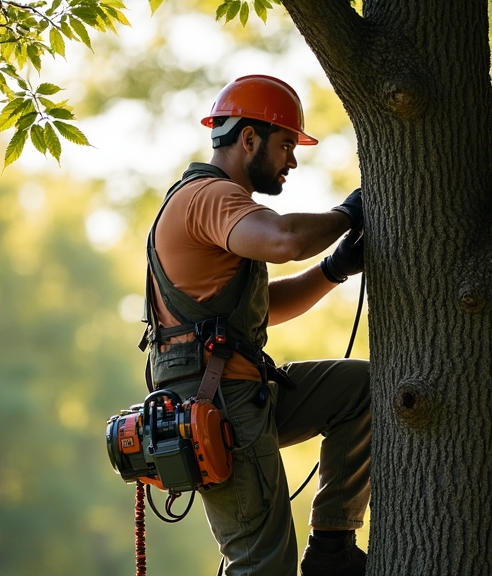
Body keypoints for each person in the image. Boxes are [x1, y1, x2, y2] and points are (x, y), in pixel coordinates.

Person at [138, 75, 371, 576]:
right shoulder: (207, 198)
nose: (292, 160)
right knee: (262, 565)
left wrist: (334, 269)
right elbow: (284, 240)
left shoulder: (222, 212)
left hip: (242, 392)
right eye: (286, 144)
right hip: (217, 405)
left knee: (362, 388)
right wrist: (348, 212)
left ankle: (332, 547)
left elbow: (263, 310)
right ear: (248, 139)